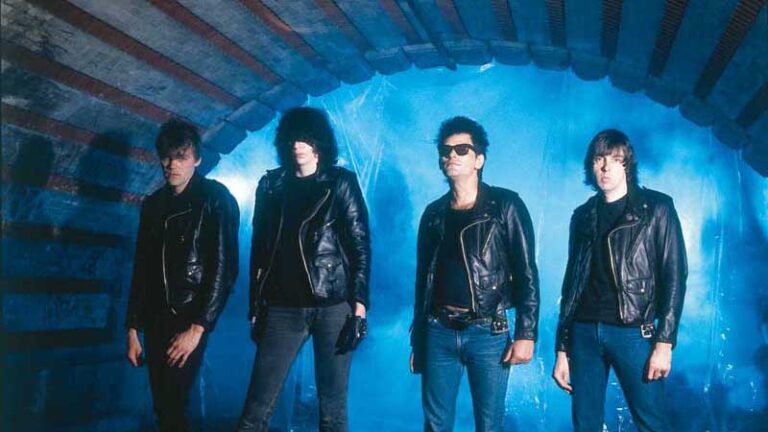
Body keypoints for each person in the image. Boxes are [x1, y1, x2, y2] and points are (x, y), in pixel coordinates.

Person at [238, 107, 370, 432]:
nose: (298, 145)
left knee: (332, 410)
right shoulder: (271, 185)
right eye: (292, 138)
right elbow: (259, 251)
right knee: (255, 409)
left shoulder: (340, 182)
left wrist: (359, 308)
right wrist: (255, 306)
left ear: (319, 143)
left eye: (306, 138)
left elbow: (360, 246)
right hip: (282, 306)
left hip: (333, 305)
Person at [552, 129, 687, 432]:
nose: (605, 167)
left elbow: (675, 276)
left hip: (633, 332)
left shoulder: (656, 208)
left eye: (615, 159)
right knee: (585, 424)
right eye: (598, 159)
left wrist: (664, 342)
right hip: (584, 332)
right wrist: (562, 348)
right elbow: (571, 284)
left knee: (652, 423)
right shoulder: (582, 215)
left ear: (627, 164)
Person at [410, 116, 540, 431]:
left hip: (487, 332)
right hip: (438, 330)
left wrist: (526, 334)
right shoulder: (433, 214)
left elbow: (527, 274)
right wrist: (418, 340)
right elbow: (423, 282)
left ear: (479, 160)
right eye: (446, 150)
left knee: (489, 424)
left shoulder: (505, 205)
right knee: (435, 425)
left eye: (462, 149)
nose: (451, 155)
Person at [125, 118, 240, 431]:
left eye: (181, 157)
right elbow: (142, 268)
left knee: (174, 403)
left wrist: (198, 327)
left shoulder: (215, 199)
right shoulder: (153, 205)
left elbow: (224, 270)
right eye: (166, 157)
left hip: (189, 316)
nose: (172, 164)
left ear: (197, 159)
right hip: (155, 319)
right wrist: (132, 328)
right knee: (163, 407)